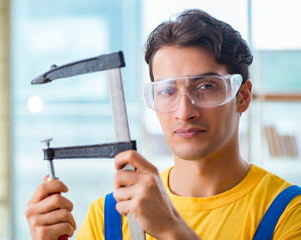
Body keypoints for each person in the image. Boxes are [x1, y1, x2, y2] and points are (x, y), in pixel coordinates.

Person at [25, 9, 301, 239]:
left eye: (205, 86)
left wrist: (170, 228)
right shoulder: (109, 218)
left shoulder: (288, 214)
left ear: (241, 96)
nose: (184, 111)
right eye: (168, 91)